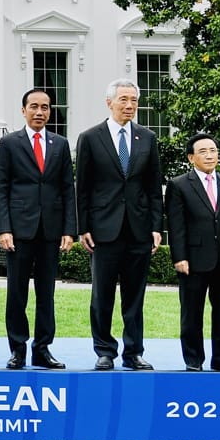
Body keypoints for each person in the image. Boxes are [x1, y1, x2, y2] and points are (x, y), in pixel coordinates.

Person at [76, 79, 164, 370]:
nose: (129, 105)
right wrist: (83, 226)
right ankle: (104, 350)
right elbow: (83, 187)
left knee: (134, 295)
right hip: (103, 228)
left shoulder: (147, 138)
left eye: (134, 100)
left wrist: (156, 227)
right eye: (124, 99)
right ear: (109, 102)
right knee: (102, 294)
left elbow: (153, 187)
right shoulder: (90, 138)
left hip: (138, 228)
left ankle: (133, 352)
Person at [0, 88, 77, 370]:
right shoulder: (9, 143)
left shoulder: (60, 144)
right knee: (17, 293)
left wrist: (69, 229)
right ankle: (17, 349)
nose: (39, 112)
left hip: (51, 230)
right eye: (34, 107)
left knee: (46, 294)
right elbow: (2, 188)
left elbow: (68, 188)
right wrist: (3, 228)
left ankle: (42, 349)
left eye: (45, 107)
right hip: (19, 230)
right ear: (23, 110)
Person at [166, 132, 220, 371]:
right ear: (191, 158)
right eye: (203, 151)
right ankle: (194, 360)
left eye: (213, 150)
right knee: (192, 312)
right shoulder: (179, 184)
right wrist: (179, 257)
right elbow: (176, 224)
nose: (210, 155)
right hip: (193, 259)